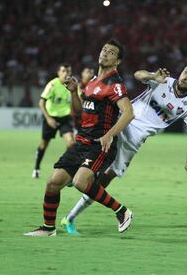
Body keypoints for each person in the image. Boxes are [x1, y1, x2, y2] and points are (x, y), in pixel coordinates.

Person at [61, 63, 187, 235]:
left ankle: (70, 218)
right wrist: (152, 77)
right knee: (92, 145)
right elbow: (138, 74)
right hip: (122, 121)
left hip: (135, 140)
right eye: (185, 72)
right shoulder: (163, 79)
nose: (185, 77)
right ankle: (76, 173)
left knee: (104, 181)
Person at [24, 39, 135, 236]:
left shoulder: (115, 84)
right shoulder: (92, 81)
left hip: (99, 145)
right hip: (81, 142)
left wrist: (109, 134)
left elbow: (128, 113)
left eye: (111, 52)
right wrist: (74, 92)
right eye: (104, 50)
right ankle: (49, 228)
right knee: (52, 183)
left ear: (117, 61)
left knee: (80, 182)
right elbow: (79, 112)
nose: (105, 53)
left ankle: (122, 211)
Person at [32, 64, 75, 179]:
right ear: (58, 73)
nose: (67, 73)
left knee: (71, 143)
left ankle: (64, 167)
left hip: (65, 118)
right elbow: (41, 102)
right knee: (44, 144)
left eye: (69, 71)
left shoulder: (73, 85)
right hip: (51, 117)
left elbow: (78, 99)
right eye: (64, 71)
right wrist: (48, 118)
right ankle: (36, 168)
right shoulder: (52, 84)